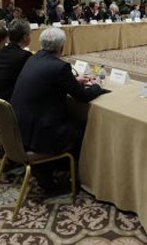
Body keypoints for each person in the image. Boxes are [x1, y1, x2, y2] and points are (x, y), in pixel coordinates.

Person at [10, 27, 103, 157]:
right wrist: (97, 86)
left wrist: (73, 80)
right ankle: (71, 166)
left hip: (20, 127)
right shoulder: (60, 67)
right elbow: (83, 96)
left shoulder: (33, 58)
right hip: (42, 133)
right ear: (62, 47)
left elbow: (48, 80)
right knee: (86, 130)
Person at [0, 19, 33, 101]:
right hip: (8, 103)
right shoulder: (25, 56)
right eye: (30, 34)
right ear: (25, 37)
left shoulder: (0, 52)